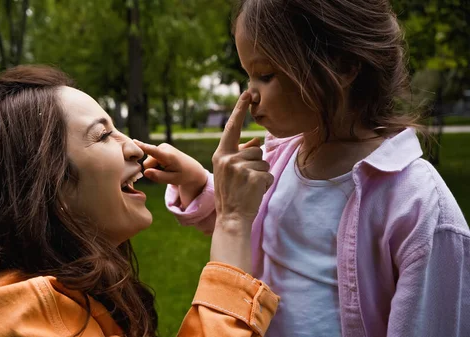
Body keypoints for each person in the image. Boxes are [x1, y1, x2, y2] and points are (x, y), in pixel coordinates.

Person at [136, 1, 470, 336]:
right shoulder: (281, 157)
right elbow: (248, 224)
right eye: (248, 74)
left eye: (265, 75)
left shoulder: (419, 206)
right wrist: (197, 182)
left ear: (342, 66)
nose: (250, 94)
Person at [0, 65, 279, 337]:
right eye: (102, 135)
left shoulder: (14, 287)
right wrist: (231, 222)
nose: (134, 148)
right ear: (42, 182)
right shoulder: (18, 319)